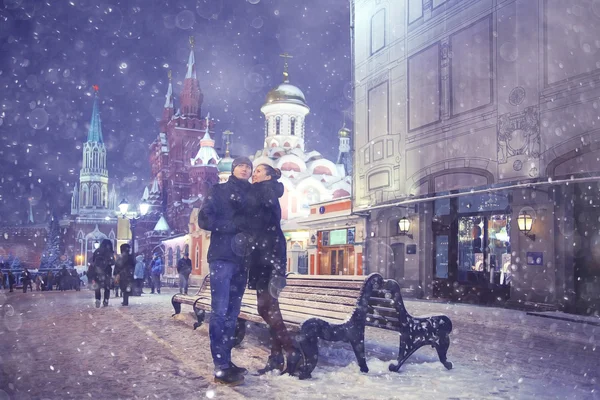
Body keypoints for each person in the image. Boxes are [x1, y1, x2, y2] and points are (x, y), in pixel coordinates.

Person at [198, 156, 252, 386]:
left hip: (243, 259)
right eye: (241, 165)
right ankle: (220, 365)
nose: (245, 169)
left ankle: (227, 361)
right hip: (222, 257)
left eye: (248, 166)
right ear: (233, 168)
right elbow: (203, 219)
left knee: (232, 314)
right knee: (219, 311)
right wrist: (231, 227)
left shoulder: (253, 194)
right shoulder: (218, 191)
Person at [245, 164, 303, 376]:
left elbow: (263, 221)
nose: (255, 173)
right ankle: (277, 356)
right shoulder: (264, 190)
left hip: (269, 255)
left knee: (268, 307)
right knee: (266, 308)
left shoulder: (266, 190)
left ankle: (290, 351)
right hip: (263, 255)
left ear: (268, 176)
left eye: (259, 171)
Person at [88, 239, 115, 308]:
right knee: (107, 287)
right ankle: (105, 300)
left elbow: (92, 261)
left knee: (97, 287)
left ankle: (97, 299)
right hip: (107, 272)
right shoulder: (109, 252)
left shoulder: (97, 251)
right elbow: (112, 262)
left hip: (97, 272)